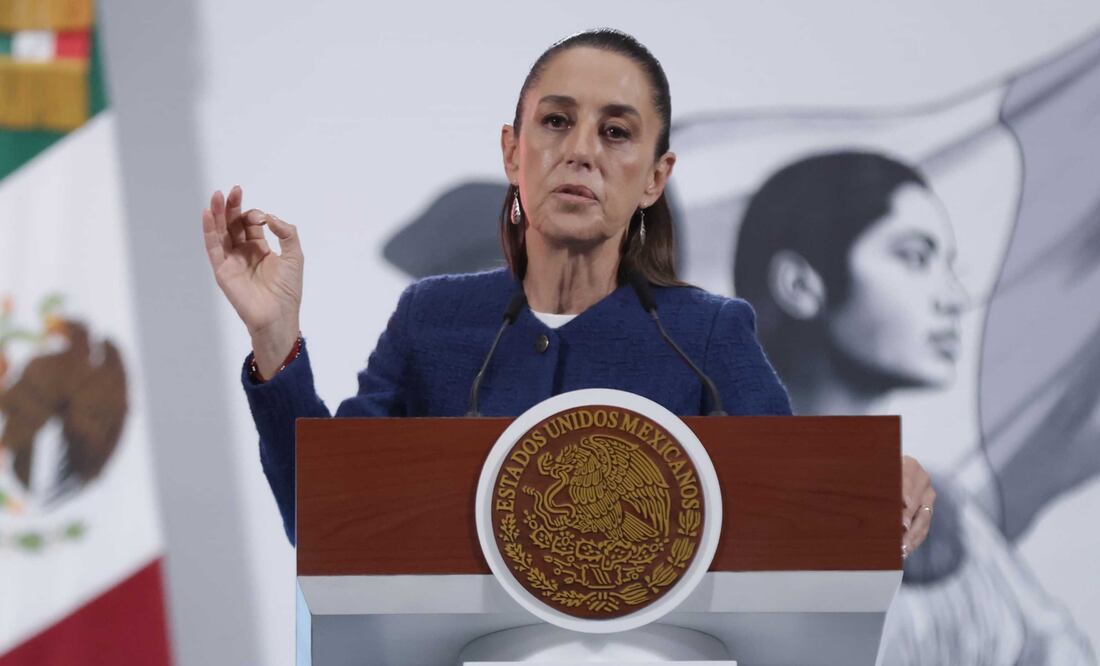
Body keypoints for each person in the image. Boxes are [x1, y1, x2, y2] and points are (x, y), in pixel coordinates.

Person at [199, 30, 935, 556]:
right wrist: (274, 337)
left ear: (654, 177)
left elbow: (799, 497)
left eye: (617, 132)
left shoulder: (710, 333)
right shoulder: (432, 320)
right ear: (513, 152)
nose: (581, 149)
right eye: (556, 122)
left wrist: (874, 483)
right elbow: (323, 514)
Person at [735, 151, 1095, 665]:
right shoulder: (703, 499)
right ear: (800, 284)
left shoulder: (949, 510)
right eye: (915, 257)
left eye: (950, 266)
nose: (953, 297)